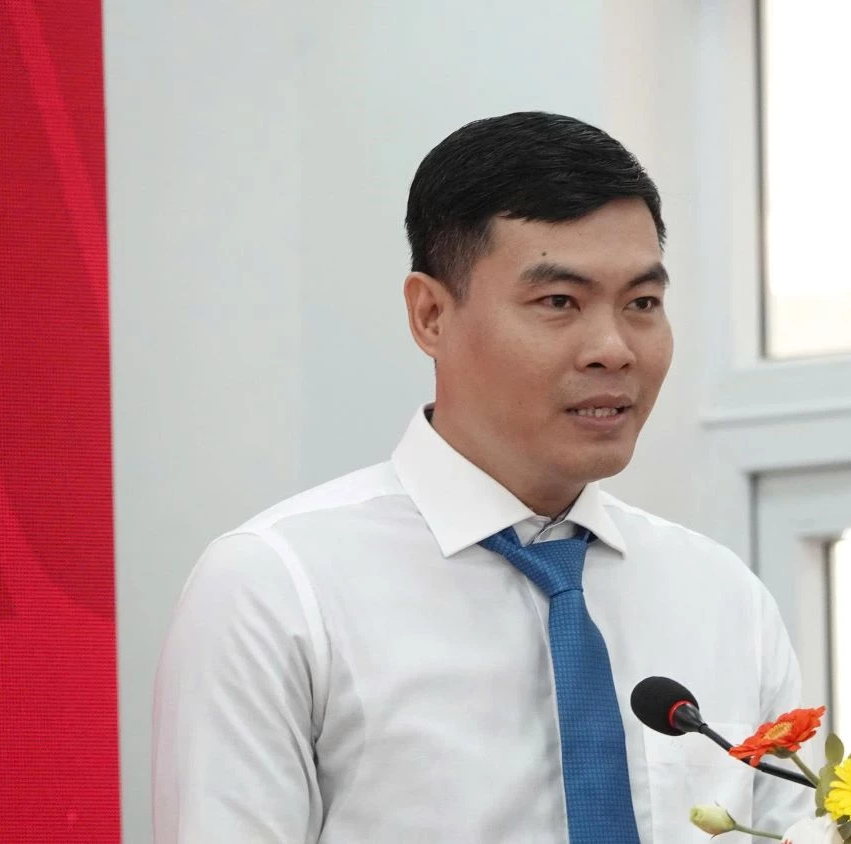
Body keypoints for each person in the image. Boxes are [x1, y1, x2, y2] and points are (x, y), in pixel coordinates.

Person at [152, 112, 808, 842]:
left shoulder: (722, 597)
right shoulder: (276, 589)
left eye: (642, 303)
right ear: (431, 314)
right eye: (559, 302)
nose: (614, 348)